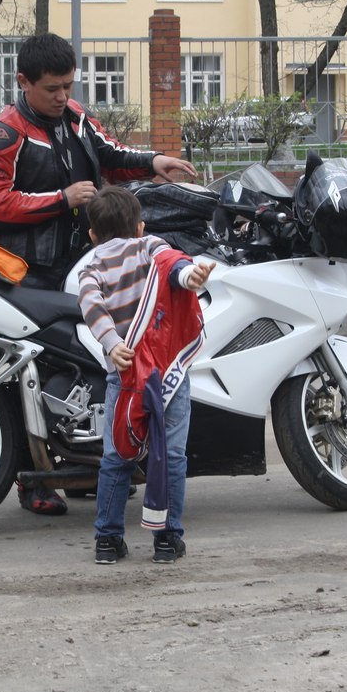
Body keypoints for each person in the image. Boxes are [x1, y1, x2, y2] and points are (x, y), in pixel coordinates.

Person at [0, 32, 196, 516]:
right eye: (52, 88)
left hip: (82, 264)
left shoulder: (76, 118)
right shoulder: (2, 134)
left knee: (91, 368)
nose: (61, 96)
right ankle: (31, 483)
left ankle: (86, 466)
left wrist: (154, 162)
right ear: (23, 82)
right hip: (28, 273)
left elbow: (113, 153)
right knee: (24, 377)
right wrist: (59, 199)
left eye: (67, 86)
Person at [76, 186, 214, 564]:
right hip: (165, 373)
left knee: (117, 455)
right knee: (171, 454)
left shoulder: (90, 267)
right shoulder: (149, 247)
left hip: (124, 376)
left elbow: (90, 305)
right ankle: (168, 541)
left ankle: (107, 540)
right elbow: (174, 265)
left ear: (92, 235)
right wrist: (191, 276)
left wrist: (110, 342)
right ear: (139, 227)